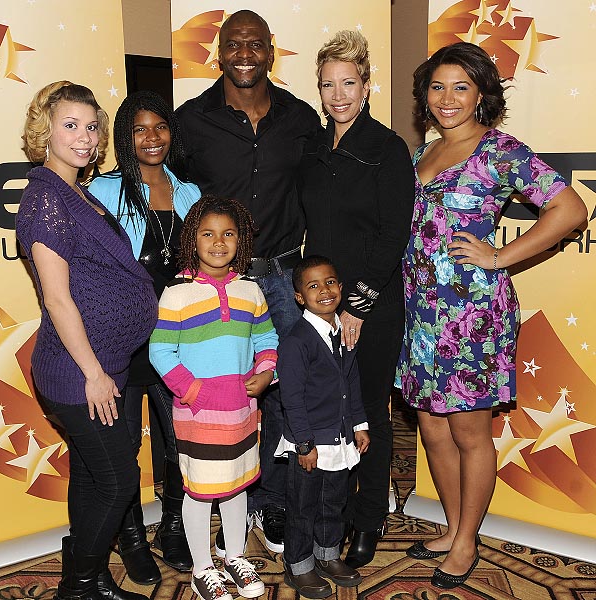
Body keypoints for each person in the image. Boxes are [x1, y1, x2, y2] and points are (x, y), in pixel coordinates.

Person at [396, 41, 587, 590]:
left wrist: (499, 256)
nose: (447, 98)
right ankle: (456, 526)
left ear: (481, 93)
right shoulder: (419, 156)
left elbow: (570, 209)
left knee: (469, 430)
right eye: (437, 86)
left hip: (472, 315)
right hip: (420, 312)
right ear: (424, 95)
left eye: (461, 86)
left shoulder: (499, 150)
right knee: (431, 428)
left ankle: (466, 541)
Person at [175, 9, 321, 554]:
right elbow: (176, 201)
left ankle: (275, 504)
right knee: (226, 393)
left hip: (285, 277)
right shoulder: (189, 121)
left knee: (287, 393)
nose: (244, 54)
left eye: (254, 44)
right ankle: (224, 500)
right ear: (219, 50)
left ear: (270, 50)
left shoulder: (302, 118)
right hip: (219, 284)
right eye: (233, 44)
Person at [16, 81, 158, 600]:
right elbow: (56, 299)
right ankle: (77, 587)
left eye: (91, 126)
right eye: (69, 124)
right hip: (80, 374)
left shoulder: (76, 191)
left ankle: (94, 580)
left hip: (107, 366)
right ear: (45, 130)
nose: (83, 136)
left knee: (95, 477)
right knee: (119, 480)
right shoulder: (46, 197)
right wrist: (94, 374)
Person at [298, 30, 415, 568]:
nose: (339, 94)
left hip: (372, 307)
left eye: (349, 83)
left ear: (367, 87)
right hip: (321, 305)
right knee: (329, 410)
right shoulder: (315, 148)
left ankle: (369, 519)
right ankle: (338, 508)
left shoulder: (388, 149)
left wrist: (355, 308)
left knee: (369, 412)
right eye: (328, 84)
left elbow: (393, 236)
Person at [89, 91, 201, 579]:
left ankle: (173, 525)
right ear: (123, 137)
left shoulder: (190, 193)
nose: (152, 137)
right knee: (125, 444)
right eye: (139, 129)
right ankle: (131, 536)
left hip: (177, 336)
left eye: (160, 126)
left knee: (180, 439)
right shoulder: (103, 192)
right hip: (123, 337)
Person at [149, 195, 279, 600]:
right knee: (201, 489)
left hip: (242, 411)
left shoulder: (250, 291)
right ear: (193, 239)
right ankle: (203, 568)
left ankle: (235, 557)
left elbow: (266, 336)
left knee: (237, 485)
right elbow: (160, 350)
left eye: (228, 234)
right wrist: (194, 392)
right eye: (208, 234)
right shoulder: (177, 294)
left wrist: (266, 371)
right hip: (199, 414)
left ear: (240, 241)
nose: (218, 242)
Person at [276, 256, 370, 599]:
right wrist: (303, 444)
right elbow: (292, 398)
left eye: (330, 282)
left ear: (341, 288)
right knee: (303, 507)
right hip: (311, 441)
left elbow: (352, 382)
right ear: (300, 296)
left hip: (341, 437)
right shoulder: (297, 341)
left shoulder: (344, 333)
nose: (324, 291)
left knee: (334, 501)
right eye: (313, 286)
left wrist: (359, 424)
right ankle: (298, 565)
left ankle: (327, 556)